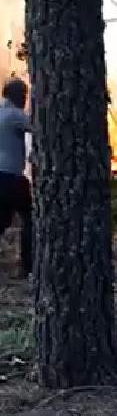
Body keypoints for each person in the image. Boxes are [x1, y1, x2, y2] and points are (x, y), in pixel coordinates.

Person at [0, 77, 32, 277]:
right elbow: (40, 127)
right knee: (30, 219)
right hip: (11, 177)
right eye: (24, 95)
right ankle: (27, 266)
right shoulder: (15, 115)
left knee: (1, 221)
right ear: (18, 96)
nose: (25, 99)